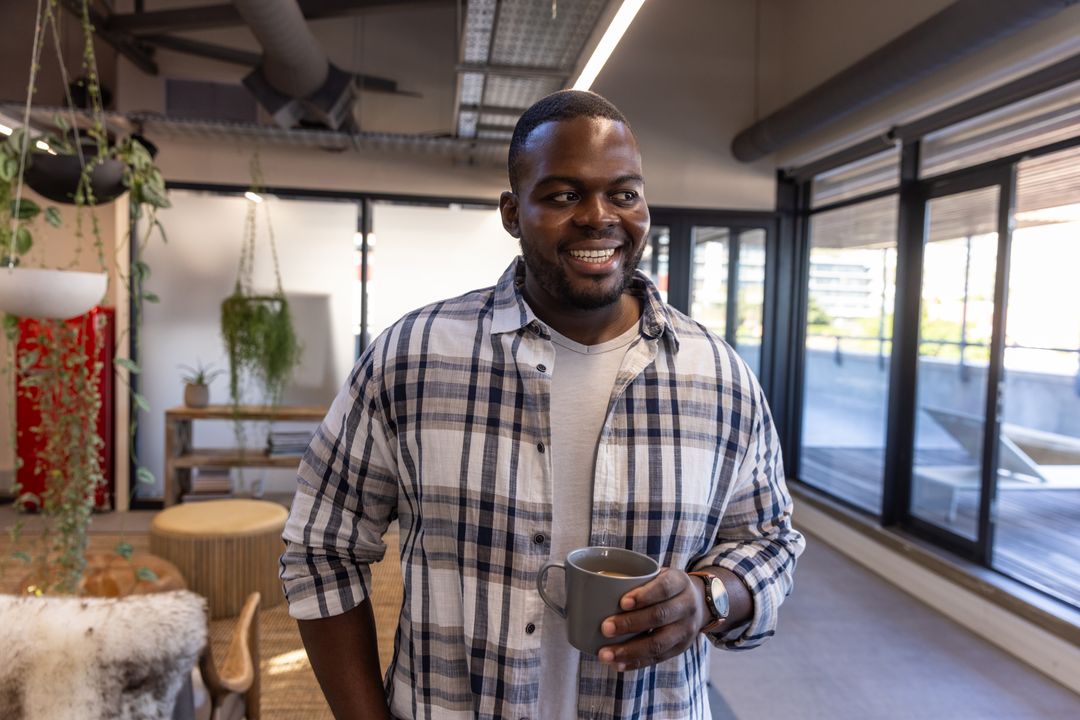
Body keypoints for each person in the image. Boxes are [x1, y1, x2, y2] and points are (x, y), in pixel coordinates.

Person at [280, 89, 804, 720]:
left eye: (624, 193)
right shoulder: (412, 357)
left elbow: (770, 539)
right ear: (511, 211)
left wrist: (711, 595)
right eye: (562, 195)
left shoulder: (718, 376)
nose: (598, 216)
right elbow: (321, 547)